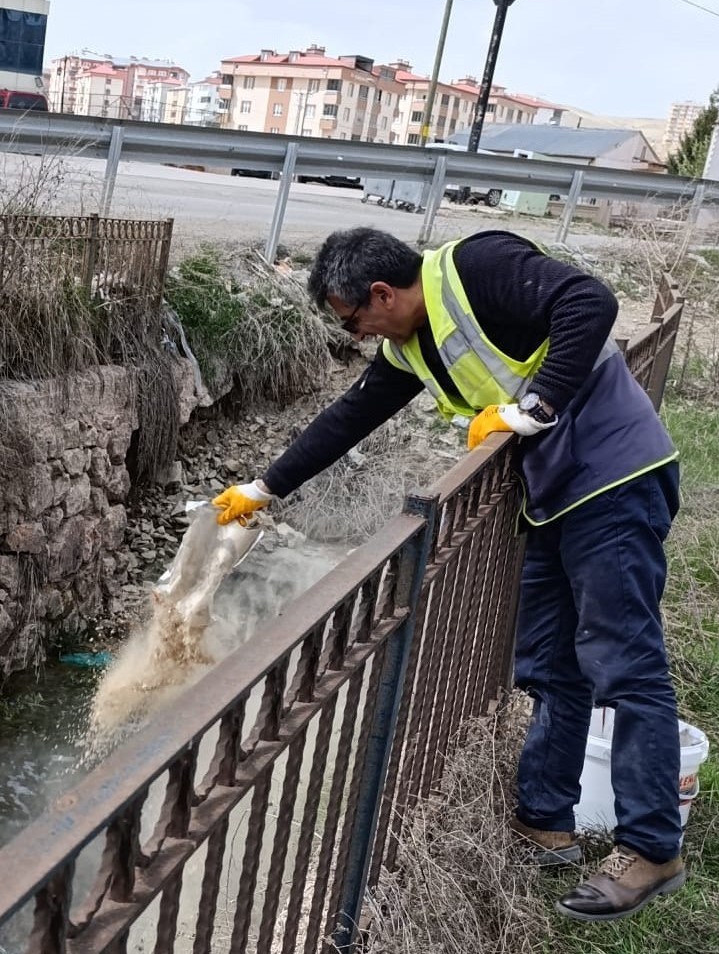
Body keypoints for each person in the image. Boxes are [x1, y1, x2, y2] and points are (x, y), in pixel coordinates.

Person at [212, 227, 685, 923]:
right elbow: (350, 416)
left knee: (625, 661)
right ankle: (545, 820)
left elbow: (590, 300)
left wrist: (533, 409)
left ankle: (651, 848)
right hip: (553, 497)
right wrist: (263, 487)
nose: (356, 335)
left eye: (352, 320)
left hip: (614, 482)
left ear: (380, 293)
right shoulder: (410, 344)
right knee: (554, 665)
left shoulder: (479, 266)